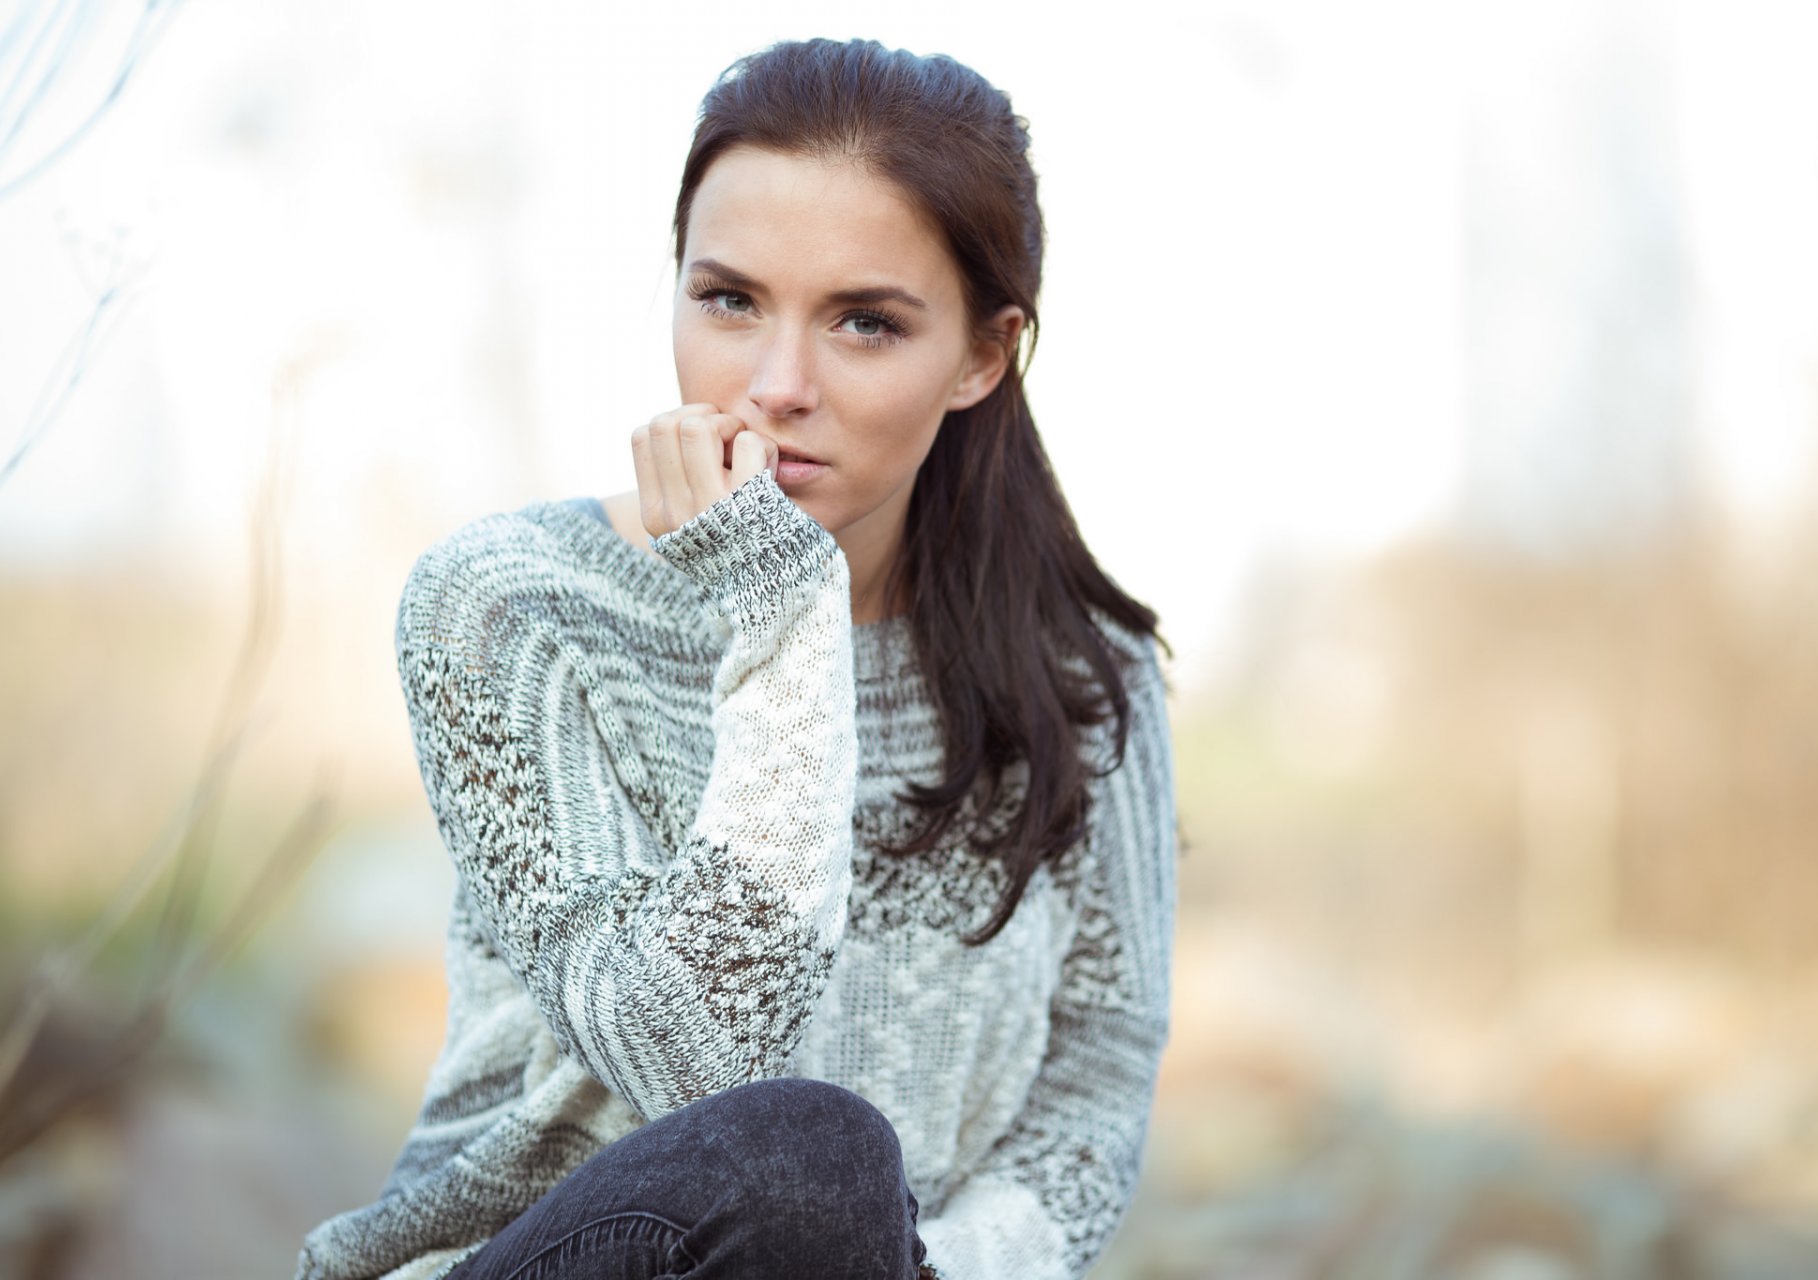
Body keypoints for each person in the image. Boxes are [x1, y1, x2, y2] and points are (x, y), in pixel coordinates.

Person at [295, 36, 1178, 1280]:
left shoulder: (1090, 677)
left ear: (982, 356)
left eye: (865, 323)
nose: (775, 386)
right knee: (805, 1160)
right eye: (728, 300)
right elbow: (688, 1059)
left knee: (829, 1184)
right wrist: (782, 610)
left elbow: (1098, 1064)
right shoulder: (511, 608)